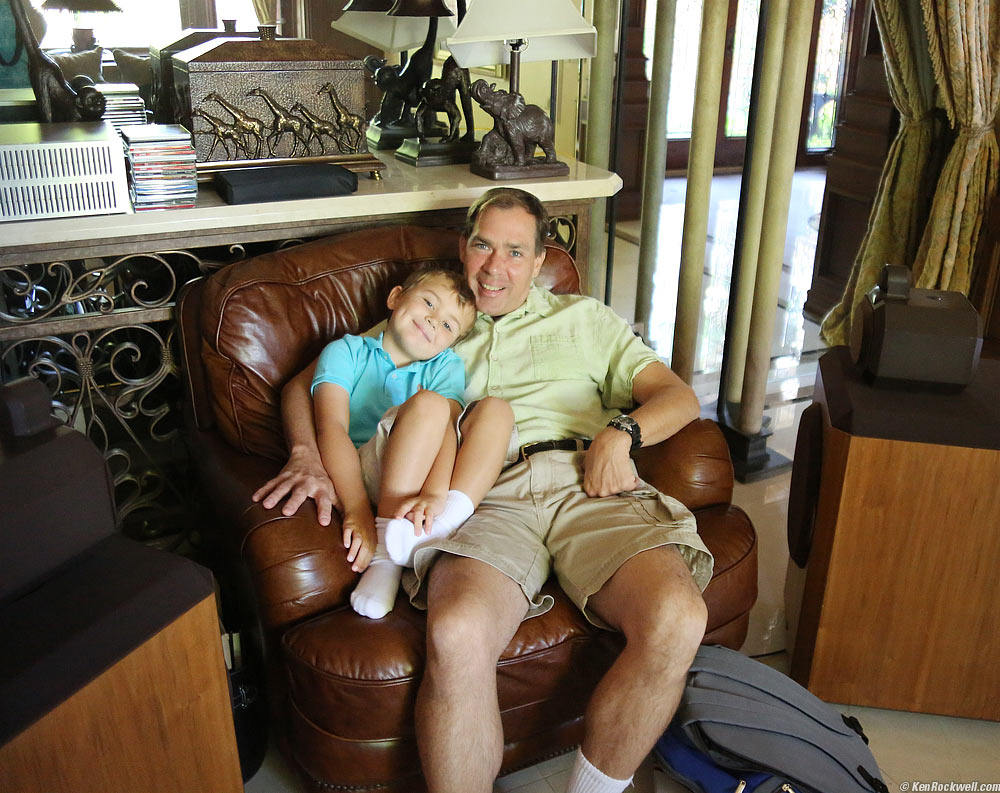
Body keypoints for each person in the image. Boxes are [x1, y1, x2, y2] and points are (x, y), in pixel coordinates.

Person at [253, 188, 714, 793]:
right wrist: (306, 454)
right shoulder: (436, 320)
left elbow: (678, 396)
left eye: (515, 252)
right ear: (463, 248)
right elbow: (308, 382)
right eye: (482, 245)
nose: (495, 266)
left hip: (586, 481)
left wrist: (622, 434)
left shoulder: (584, 318)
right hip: (480, 494)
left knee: (677, 617)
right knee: (457, 633)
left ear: (540, 259)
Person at [307, 266, 515, 619]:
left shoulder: (445, 366)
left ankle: (445, 520)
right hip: (366, 469)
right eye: (429, 303)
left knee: (497, 410)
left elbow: (448, 432)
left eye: (448, 325)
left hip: (431, 476)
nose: (433, 321)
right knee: (429, 403)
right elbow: (331, 430)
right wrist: (356, 509)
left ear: (452, 342)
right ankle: (386, 557)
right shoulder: (347, 351)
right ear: (395, 297)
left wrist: (435, 494)